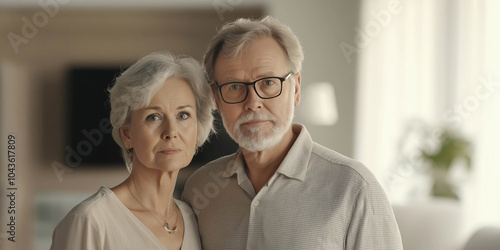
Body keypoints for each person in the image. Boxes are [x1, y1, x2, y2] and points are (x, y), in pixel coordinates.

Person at [182, 16, 403, 249]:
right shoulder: (199, 190)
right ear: (216, 98)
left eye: (268, 82)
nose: (253, 102)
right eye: (235, 87)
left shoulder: (354, 188)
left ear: (296, 89)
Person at [51, 51, 215, 250]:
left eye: (183, 115)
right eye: (154, 117)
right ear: (127, 134)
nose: (171, 132)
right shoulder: (91, 220)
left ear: (198, 130)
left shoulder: (194, 220)